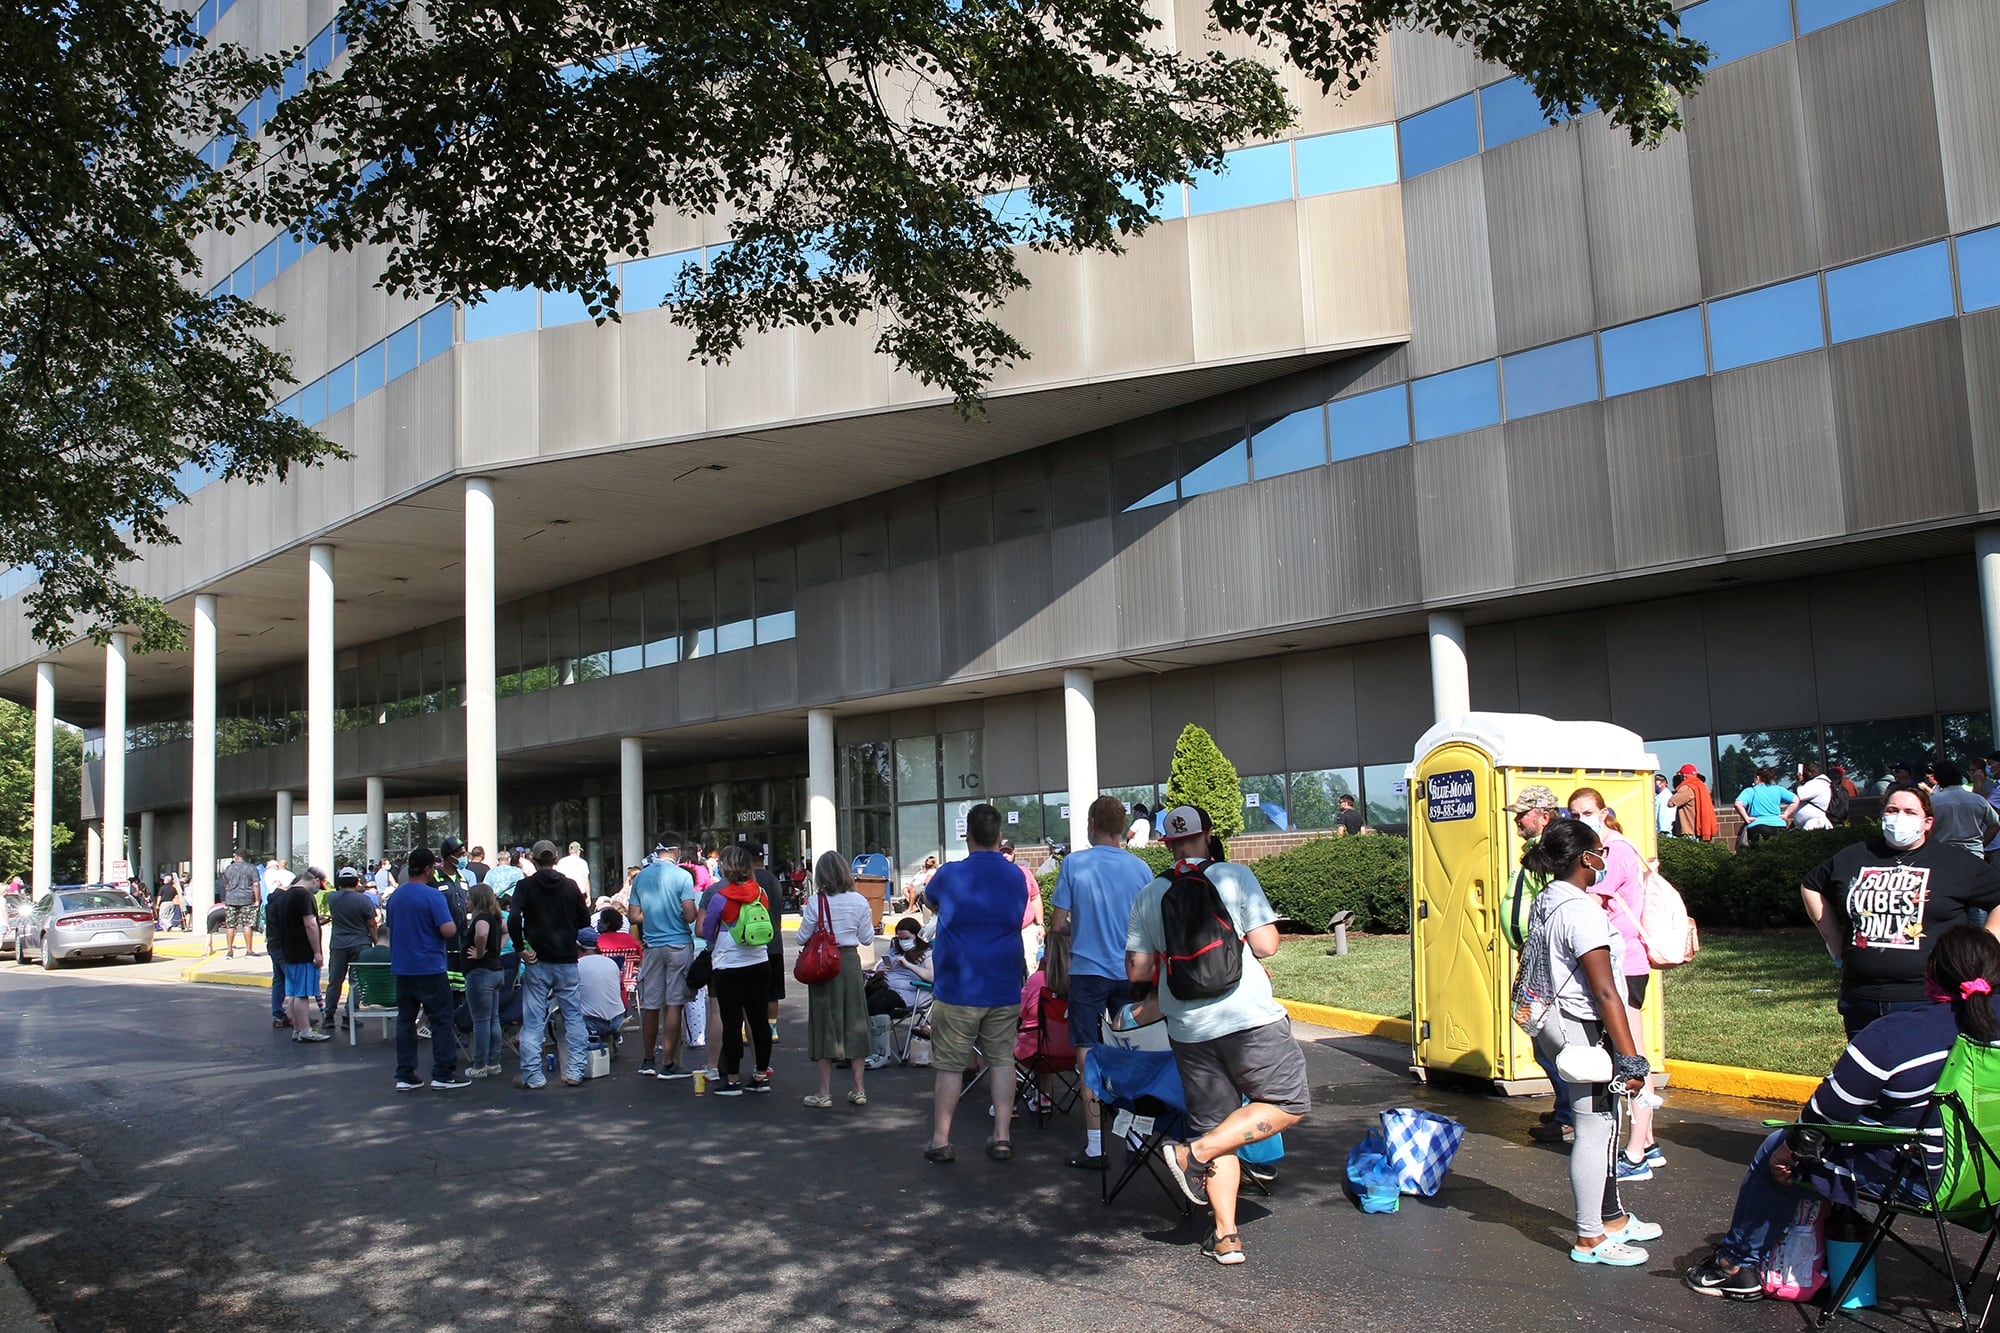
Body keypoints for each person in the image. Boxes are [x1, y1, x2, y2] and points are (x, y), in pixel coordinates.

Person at [1687, 925, 2000, 1299]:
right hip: (1991, 1178)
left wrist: (1791, 1146)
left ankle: (1735, 1265)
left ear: (1931, 973)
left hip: (1928, 1182)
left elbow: (1824, 1113)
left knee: (1780, 1147)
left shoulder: (1893, 1035)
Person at [1126, 804, 1311, 1267]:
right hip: (1249, 1018)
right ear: (1207, 836)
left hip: (1189, 1029)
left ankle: (1227, 1237)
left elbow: (1138, 968)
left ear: (1168, 843)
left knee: (1216, 1123)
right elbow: (1267, 944)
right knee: (1289, 1103)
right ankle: (1194, 1154)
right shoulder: (1235, 876)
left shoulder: (1150, 894)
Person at [1512, 817, 1656, 1267]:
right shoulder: (1582, 912)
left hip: (1560, 1026)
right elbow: (1606, 991)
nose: (1604, 860)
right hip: (1583, 1030)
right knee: (1594, 1130)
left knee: (1604, 1125)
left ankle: (1610, 1218)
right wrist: (1631, 1058)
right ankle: (1590, 1237)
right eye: (1600, 852)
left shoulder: (1551, 898)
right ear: (1585, 859)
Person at [1803, 784, 2000, 1036]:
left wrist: (1982, 948)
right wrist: (1834, 941)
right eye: (1892, 810)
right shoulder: (1854, 856)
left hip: (1928, 1000)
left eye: (1910, 812)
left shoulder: (1955, 863)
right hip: (1861, 999)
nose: (1899, 817)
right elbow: (1811, 885)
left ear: (1927, 822)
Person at [1049, 794, 1156, 1169]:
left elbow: (1059, 924)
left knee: (1088, 1051)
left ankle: (1095, 1145)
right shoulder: (1141, 870)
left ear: (1092, 825)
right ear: (1122, 827)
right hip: (1130, 971)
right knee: (1131, 1047)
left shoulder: (1074, 864)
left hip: (1088, 971)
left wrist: (1083, 925)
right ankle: (1137, 1135)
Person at [923, 803, 1031, 1163]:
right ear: (1000, 837)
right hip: (1003, 981)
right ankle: (1002, 1136)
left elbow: (929, 899)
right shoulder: (1016, 876)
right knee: (1002, 1060)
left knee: (950, 1064)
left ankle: (941, 1139)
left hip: (957, 986)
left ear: (966, 835)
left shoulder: (950, 874)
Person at [1567, 788, 1663, 1183]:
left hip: (1629, 964)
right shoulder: (1602, 849)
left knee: (1633, 1054)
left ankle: (1636, 1153)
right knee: (1628, 1050)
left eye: (1587, 811)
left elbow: (1588, 897)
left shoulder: (1616, 851)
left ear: (1604, 812)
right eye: (1574, 812)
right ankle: (1648, 1141)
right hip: (1616, 961)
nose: (1581, 817)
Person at [1503, 785, 1572, 1147]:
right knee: (1539, 1036)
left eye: (1523, 813)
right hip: (1532, 957)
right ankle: (1565, 1107)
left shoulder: (1553, 853)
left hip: (1546, 962)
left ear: (1544, 815)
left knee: (1549, 1037)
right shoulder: (1534, 850)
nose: (1517, 819)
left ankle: (1569, 1115)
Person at [508, 839, 593, 1089]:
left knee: (534, 1019)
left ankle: (533, 1074)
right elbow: (584, 919)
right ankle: (576, 1070)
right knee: (573, 1017)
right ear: (556, 859)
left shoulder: (525, 886)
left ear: (533, 860)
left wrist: (520, 947)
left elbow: (513, 919)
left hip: (538, 960)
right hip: (567, 959)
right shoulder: (570, 886)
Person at [385, 848, 467, 1091]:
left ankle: (405, 1074)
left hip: (403, 966)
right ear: (429, 869)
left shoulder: (396, 897)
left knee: (406, 1021)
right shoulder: (433, 896)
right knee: (441, 1020)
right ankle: (443, 1073)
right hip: (430, 966)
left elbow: (390, 929)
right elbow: (448, 930)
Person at [798, 851, 875, 1108]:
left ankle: (824, 1092)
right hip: (850, 964)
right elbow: (867, 938)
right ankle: (859, 1088)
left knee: (825, 1023)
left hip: (823, 965)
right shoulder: (860, 901)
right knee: (855, 1020)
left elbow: (800, 938)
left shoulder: (815, 902)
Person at [698, 845, 776, 1095]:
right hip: (759, 962)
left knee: (732, 1023)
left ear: (725, 868)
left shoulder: (720, 898)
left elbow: (707, 931)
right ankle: (761, 1074)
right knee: (759, 1020)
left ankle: (732, 1079)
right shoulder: (760, 893)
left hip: (728, 965)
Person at [628, 835, 700, 1078]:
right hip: (678, 944)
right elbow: (690, 916)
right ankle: (669, 1063)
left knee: (650, 1005)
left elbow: (633, 915)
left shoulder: (641, 877)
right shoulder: (682, 877)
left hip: (651, 946)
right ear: (676, 850)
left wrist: (653, 918)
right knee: (674, 1004)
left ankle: (648, 1060)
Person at [269, 867, 331, 1043]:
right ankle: (305, 1030)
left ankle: (297, 1028)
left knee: (294, 993)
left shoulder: (286, 896)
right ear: (315, 881)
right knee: (303, 993)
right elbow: (310, 924)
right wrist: (317, 952)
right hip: (303, 951)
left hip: (288, 949)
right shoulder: (304, 896)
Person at [867, 916, 934, 1066]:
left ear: (916, 936)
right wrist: (878, 970)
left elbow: (931, 977)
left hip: (910, 991)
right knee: (862, 998)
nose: (903, 941)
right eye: (900, 938)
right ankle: (864, 1049)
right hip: (887, 986)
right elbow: (876, 967)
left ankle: (882, 1053)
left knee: (876, 1002)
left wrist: (908, 965)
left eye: (906, 938)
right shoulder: (894, 949)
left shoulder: (926, 952)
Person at [321, 867, 378, 1033]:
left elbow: (343, 893)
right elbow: (372, 925)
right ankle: (349, 1015)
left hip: (338, 944)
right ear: (356, 881)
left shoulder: (332, 898)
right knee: (356, 982)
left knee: (335, 981)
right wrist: (377, 944)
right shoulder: (364, 901)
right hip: (360, 943)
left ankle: (329, 1016)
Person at [462, 882, 506, 1077]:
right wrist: (496, 948)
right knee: (494, 1019)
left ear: (477, 899)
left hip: (480, 973)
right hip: (496, 970)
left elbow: (481, 933)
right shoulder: (496, 918)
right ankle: (494, 1062)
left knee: (480, 1020)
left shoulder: (481, 918)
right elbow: (506, 930)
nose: (466, 901)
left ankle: (479, 1065)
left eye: (469, 898)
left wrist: (480, 953)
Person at [574, 927, 628, 1057]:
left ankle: (573, 1053)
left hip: (592, 1022)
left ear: (577, 945)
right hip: (618, 1019)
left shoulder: (576, 965)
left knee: (561, 1011)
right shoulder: (612, 963)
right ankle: (611, 1038)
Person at [752, 848, 787, 1046]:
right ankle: (772, 1028)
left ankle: (746, 1029)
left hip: (754, 943)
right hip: (775, 942)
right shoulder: (774, 880)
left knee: (751, 992)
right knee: (773, 992)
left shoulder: (749, 881)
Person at [1929, 761, 1999, 856]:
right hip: (1973, 854)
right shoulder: (1978, 800)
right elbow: (1995, 824)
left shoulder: (1932, 802)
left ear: (1938, 780)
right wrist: (1981, 844)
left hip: (1944, 854)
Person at [1000, 839, 1043, 974]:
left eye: (1008, 852)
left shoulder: (1025, 872)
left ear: (1014, 853)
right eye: (1001, 852)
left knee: (1031, 968)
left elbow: (1035, 897)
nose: (1005, 855)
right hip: (1002, 932)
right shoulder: (993, 875)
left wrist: (1040, 924)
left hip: (1027, 930)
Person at [1732, 768, 1795, 845]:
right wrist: (1786, 814)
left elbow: (1738, 804)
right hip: (1779, 826)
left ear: (1757, 778)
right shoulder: (1778, 789)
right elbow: (1796, 800)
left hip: (1758, 826)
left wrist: (1746, 818)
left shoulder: (1751, 791)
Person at [220, 850, 262, 958]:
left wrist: (226, 895)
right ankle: (249, 950)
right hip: (247, 898)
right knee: (247, 925)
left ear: (237, 857)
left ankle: (229, 951)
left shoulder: (229, 868)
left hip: (231, 898)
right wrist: (257, 900)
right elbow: (256, 885)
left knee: (230, 925)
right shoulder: (252, 868)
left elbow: (225, 883)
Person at [1667, 764, 1718, 842]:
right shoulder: (1702, 786)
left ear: (1683, 775)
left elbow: (1671, 803)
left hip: (1689, 830)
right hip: (1702, 828)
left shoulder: (1687, 788)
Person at [1789, 762, 1835, 832]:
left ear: (1810, 773)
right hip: (1809, 822)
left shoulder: (1817, 783)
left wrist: (1799, 781)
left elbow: (1801, 794)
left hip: (1814, 822)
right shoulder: (1816, 782)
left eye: (1804, 772)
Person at [1653, 774, 1674, 841]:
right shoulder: (1660, 796)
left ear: (1664, 783)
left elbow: (1663, 814)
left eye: (1656, 783)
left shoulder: (1665, 796)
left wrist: (1663, 829)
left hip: (1663, 831)